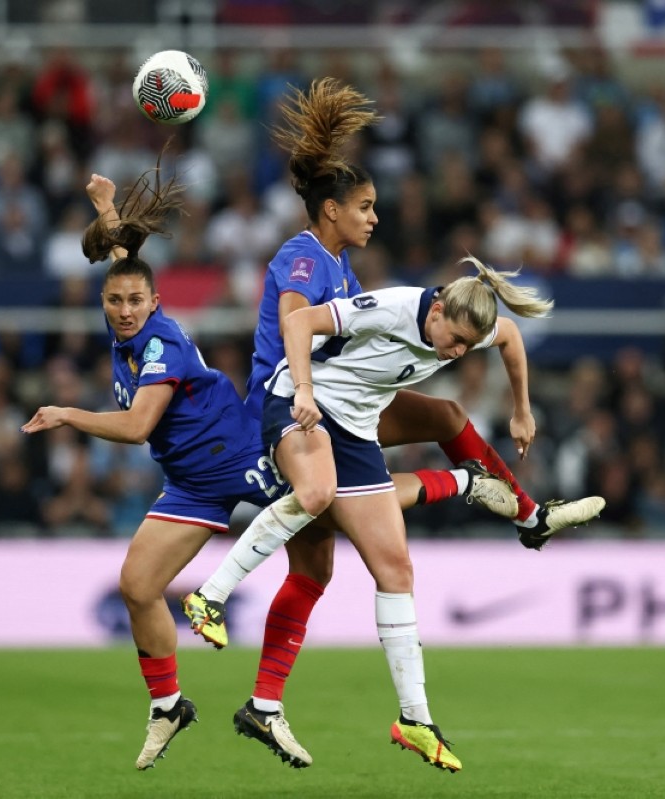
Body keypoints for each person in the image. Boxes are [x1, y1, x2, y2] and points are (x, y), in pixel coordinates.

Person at [20, 165, 514, 771]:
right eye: (115, 301)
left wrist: (66, 413)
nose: (124, 309)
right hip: (191, 479)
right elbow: (126, 264)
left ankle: (465, 482)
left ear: (155, 302)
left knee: (341, 512)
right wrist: (107, 210)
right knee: (139, 585)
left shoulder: (161, 344)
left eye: (132, 301)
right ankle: (172, 706)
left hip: (240, 457)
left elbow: (136, 427)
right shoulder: (131, 315)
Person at [182, 78, 603, 765]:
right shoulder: (310, 260)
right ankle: (214, 595)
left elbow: (508, 340)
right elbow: (297, 319)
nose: (375, 217)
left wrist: (523, 408)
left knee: (359, 552)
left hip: (349, 409)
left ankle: (344, 709)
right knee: (326, 502)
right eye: (365, 206)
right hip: (294, 402)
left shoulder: (354, 271)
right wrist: (305, 394)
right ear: (330, 209)